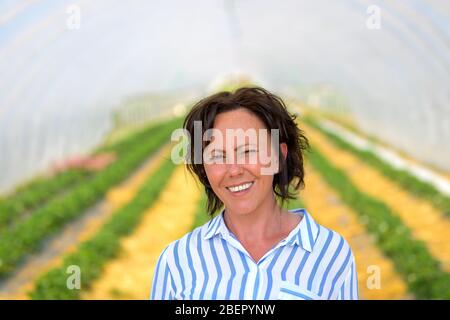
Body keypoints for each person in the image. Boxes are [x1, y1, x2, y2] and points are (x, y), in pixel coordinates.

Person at [150, 87, 358, 300]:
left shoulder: (331, 253)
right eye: (217, 156)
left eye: (247, 151)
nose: (234, 170)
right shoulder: (177, 261)